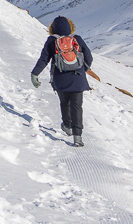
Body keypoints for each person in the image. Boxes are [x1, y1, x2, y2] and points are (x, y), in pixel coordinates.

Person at [30, 16, 93, 147]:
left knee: (64, 103)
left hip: (60, 78)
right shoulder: (77, 39)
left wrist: (35, 73)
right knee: (77, 107)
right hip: (78, 78)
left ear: (52, 29)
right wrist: (83, 69)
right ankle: (78, 137)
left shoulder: (52, 41)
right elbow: (89, 57)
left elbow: (44, 59)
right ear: (70, 26)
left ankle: (67, 126)